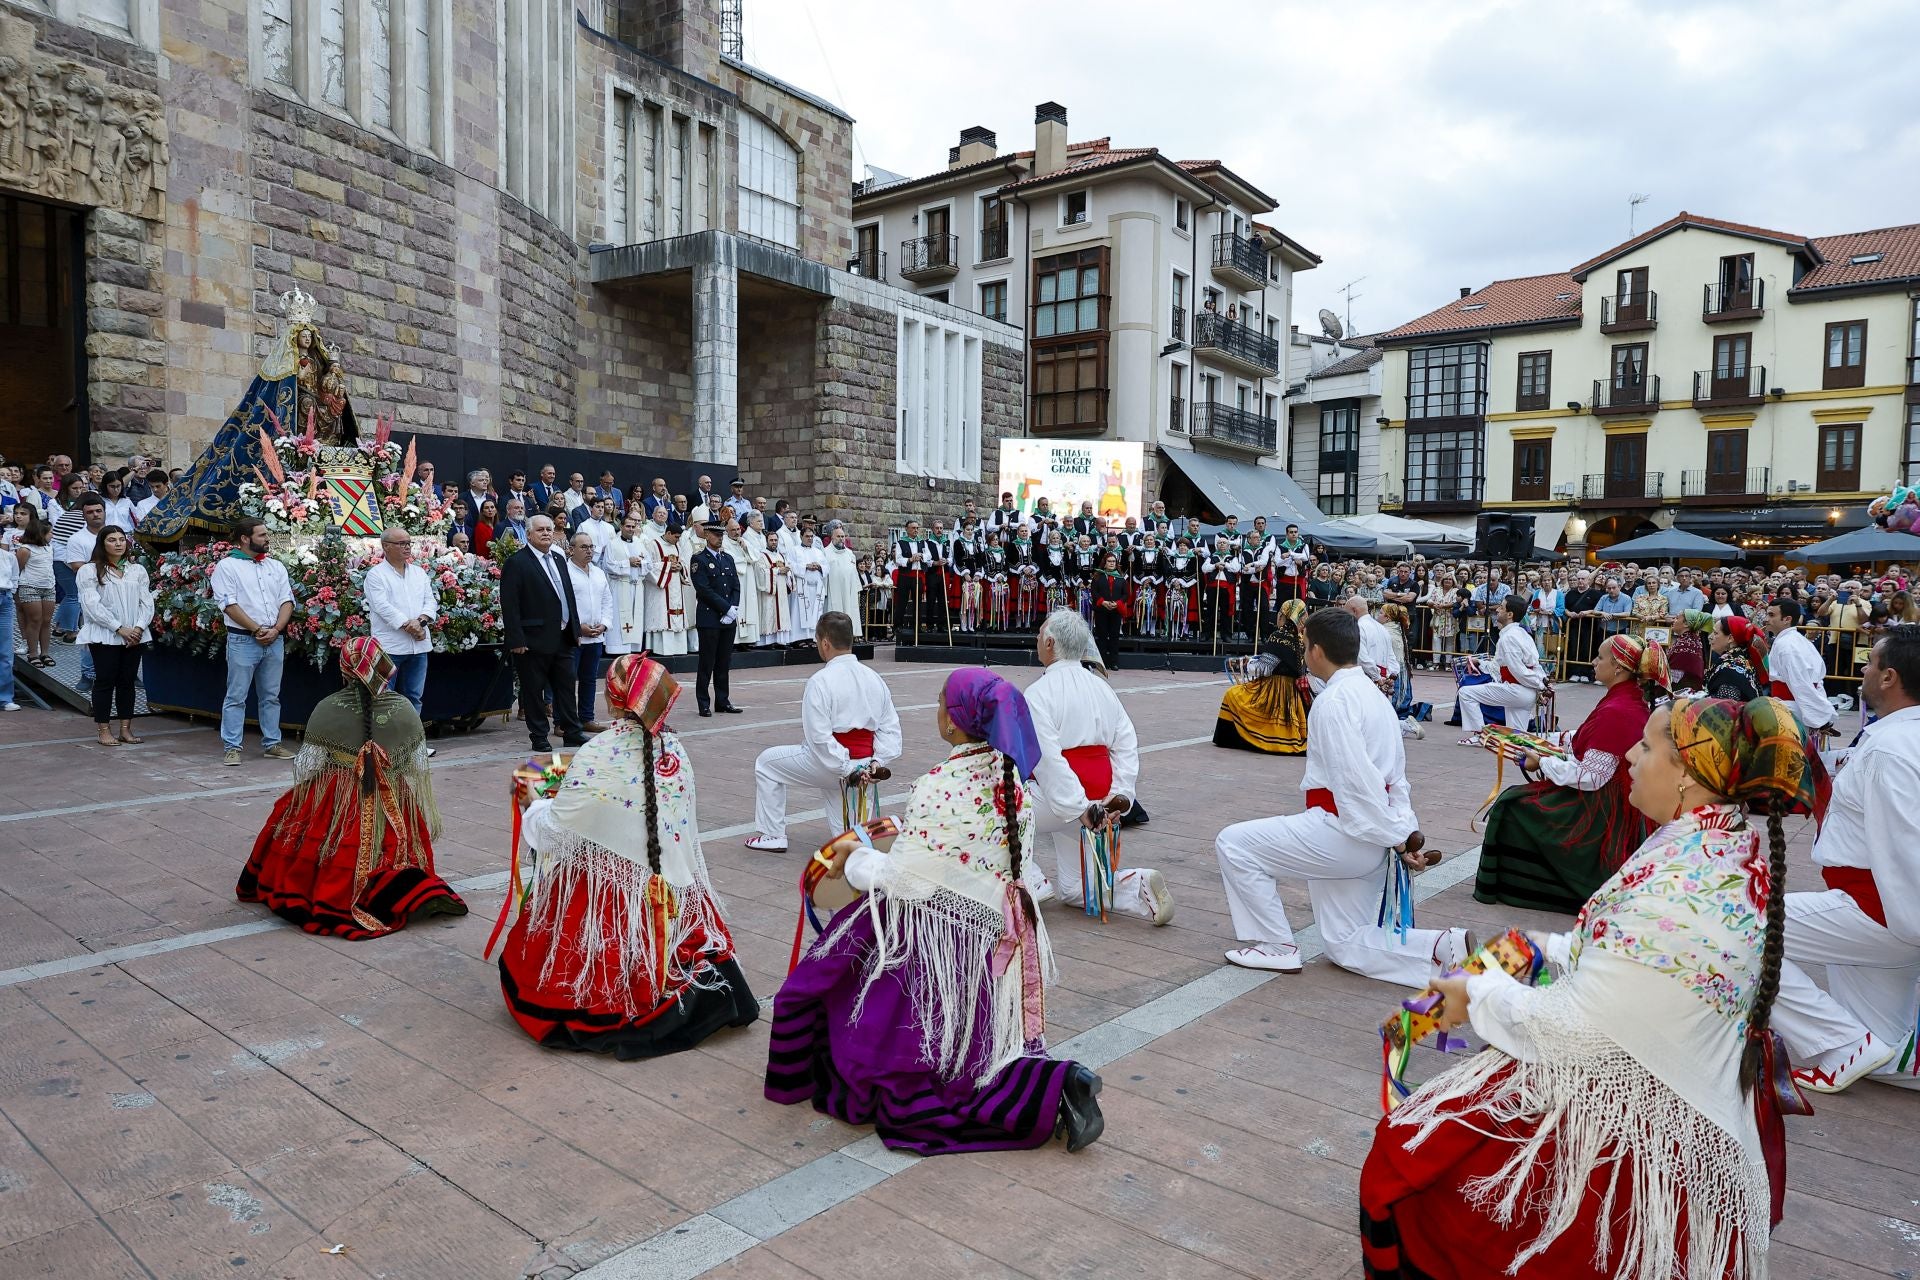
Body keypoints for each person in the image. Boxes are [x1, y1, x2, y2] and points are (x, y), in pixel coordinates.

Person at [1361, 694, 1824, 1280]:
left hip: (1638, 1132)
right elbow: (1622, 964)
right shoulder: (1710, 848)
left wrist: (1475, 995)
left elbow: (1579, 1030)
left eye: (1648, 745)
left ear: (1688, 772)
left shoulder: (1685, 891)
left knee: (1408, 1167)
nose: (1630, 754)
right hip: (1636, 1088)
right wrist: (1530, 951)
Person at [765, 668, 1106, 1155]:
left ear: (954, 723)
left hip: (928, 945)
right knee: (972, 1058)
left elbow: (905, 882)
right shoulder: (1017, 791)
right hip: (983, 951)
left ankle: (1050, 1090)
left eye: (941, 703)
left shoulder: (939, 785)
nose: (937, 709)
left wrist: (854, 858)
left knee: (825, 991)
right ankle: (1054, 1087)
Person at [496, 652, 758, 1056]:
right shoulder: (675, 750)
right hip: (673, 889)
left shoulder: (599, 753)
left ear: (616, 699)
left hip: (613, 898)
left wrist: (533, 803)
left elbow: (553, 834)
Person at [1215, 608, 1468, 979]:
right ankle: (1443, 947)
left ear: (1316, 650)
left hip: (1343, 830)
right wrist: (1402, 830)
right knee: (1344, 942)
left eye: (1304, 645)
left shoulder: (1334, 703)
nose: (1303, 653)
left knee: (1233, 843)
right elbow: (1396, 780)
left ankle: (1275, 945)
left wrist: (1399, 839)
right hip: (1368, 836)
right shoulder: (1375, 697)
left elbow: (1356, 785)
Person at [237, 637, 467, 938]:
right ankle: (401, 887)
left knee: (293, 819)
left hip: (338, 796)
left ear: (345, 670)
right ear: (383, 665)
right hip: (391, 796)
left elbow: (307, 766)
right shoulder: (404, 709)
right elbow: (418, 767)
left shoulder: (327, 708)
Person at [1773, 625, 1920, 1094]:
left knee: (1733, 928)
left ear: (1890, 677)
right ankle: (1877, 1049)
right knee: (1884, 1058)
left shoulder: (1891, 750)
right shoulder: (1897, 739)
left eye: (1871, 663)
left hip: (1883, 912)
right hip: (1880, 910)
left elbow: (1907, 848)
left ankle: (1837, 1044)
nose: (1862, 669)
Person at [1473, 633, 1669, 914]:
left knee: (1511, 805)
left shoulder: (1617, 709)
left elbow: (1591, 777)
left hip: (1603, 807)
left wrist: (1541, 762)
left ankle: (1534, 886)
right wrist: (1548, 743)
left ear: (1618, 668)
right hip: (1612, 796)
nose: (1593, 662)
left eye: (1600, 657)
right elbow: (1591, 743)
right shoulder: (1626, 700)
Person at [1022, 610, 1173, 924]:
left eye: (1040, 634)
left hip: (1061, 800)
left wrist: (1081, 807)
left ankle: (1028, 878)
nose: (1037, 639)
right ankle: (1138, 886)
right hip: (1100, 796)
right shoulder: (1102, 688)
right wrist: (1120, 794)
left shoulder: (1038, 693)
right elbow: (1126, 743)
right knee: (1077, 889)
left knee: (993, 808)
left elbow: (1048, 760)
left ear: (1049, 643)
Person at [745, 611, 901, 853]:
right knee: (852, 842)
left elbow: (818, 737)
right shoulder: (874, 678)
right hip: (867, 767)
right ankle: (865, 845)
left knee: (766, 764)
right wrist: (875, 762)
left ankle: (773, 834)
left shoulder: (821, 680)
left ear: (825, 643)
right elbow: (890, 728)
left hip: (834, 766)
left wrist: (848, 768)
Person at [210, 518, 296, 766]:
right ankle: (232, 747)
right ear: (245, 539)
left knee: (271, 695)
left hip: (274, 638)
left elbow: (286, 600)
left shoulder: (276, 566)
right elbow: (228, 604)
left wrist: (277, 628)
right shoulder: (227, 566)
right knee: (236, 695)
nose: (267, 539)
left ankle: (272, 743)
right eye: (261, 535)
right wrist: (258, 629)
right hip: (243, 639)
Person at [500, 514, 587, 753]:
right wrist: (516, 639)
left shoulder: (559, 558)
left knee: (567, 687)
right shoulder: (517, 562)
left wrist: (575, 628)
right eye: (540, 530)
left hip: (563, 636)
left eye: (549, 529)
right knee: (533, 690)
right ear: (529, 534)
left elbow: (568, 595)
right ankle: (539, 736)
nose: (547, 533)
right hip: (532, 639)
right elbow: (510, 604)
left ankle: (572, 731)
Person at [77, 525, 152, 745]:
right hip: (106, 634)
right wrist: (119, 628)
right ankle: (103, 729)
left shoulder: (136, 569)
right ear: (102, 544)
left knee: (127, 681)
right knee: (105, 680)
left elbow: (146, 602)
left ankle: (126, 728)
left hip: (134, 635)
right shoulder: (89, 570)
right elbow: (92, 606)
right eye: (112, 540)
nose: (118, 543)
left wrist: (138, 627)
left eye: (121, 539)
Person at [1215, 598, 1311, 754]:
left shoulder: (1278, 636)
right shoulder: (1301, 640)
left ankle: (1241, 738)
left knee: (1232, 695)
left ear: (1285, 615)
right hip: (1293, 693)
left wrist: (1244, 665)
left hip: (1273, 689)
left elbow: (1264, 669)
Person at [362, 527, 437, 713]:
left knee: (414, 696)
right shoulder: (376, 575)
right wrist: (409, 625)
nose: (407, 547)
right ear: (386, 546)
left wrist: (420, 622)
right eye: (401, 543)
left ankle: (413, 741)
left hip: (418, 646)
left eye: (408, 543)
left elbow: (431, 601)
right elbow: (382, 606)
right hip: (390, 647)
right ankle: (386, 741)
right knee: (384, 698)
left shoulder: (419, 573)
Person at [1455, 595, 1545, 741]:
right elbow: (1502, 666)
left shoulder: (1509, 637)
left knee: (1466, 693)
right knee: (1517, 739)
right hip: (1525, 692)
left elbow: (1518, 671)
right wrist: (1481, 663)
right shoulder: (1522, 634)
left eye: (1501, 607)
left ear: (1510, 614)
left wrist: (1541, 685)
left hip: (1517, 689)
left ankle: (1480, 736)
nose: (1497, 610)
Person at [690, 518, 743, 717]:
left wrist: (733, 609)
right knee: (707, 663)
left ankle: (723, 700)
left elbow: (736, 586)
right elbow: (703, 589)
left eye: (721, 535)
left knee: (723, 662)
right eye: (715, 535)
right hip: (710, 618)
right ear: (706, 535)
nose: (719, 538)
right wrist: (726, 609)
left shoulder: (727, 558)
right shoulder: (699, 559)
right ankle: (703, 702)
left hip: (728, 619)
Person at [1763, 597, 1835, 736]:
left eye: (1771, 615)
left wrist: (1817, 717)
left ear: (1787, 619)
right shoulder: (1795, 640)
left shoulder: (1787, 645)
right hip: (1794, 705)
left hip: (1792, 708)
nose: (1766, 619)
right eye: (1767, 614)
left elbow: (1800, 682)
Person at [566, 530, 615, 732]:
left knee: (589, 679)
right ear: (571, 550)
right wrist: (578, 628)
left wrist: (604, 624)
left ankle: (586, 717)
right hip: (573, 636)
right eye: (584, 547)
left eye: (591, 547)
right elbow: (563, 605)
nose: (589, 551)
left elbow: (607, 601)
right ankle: (563, 722)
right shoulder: (566, 573)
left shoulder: (598, 572)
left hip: (595, 635)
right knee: (567, 681)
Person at [14, 507, 55, 670]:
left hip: (48, 587)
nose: (52, 535)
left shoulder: (48, 548)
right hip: (29, 587)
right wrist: (17, 591)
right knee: (35, 620)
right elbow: (18, 569)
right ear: (40, 533)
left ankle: (45, 652)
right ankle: (33, 654)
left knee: (46, 621)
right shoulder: (25, 550)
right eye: (49, 532)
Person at [1706, 615, 1767, 703]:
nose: (1710, 637)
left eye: (1715, 633)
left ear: (1730, 638)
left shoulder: (1729, 670)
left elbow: (1723, 709)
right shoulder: (1743, 658)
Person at [1089, 548, 1128, 670]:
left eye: (1113, 561)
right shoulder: (1097, 577)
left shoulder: (1121, 578)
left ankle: (1114, 662)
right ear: (1104, 563)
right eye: (1109, 561)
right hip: (1102, 610)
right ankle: (1102, 662)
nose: (1111, 563)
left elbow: (1126, 594)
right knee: (1102, 636)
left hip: (1115, 611)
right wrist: (1103, 602)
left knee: (1114, 636)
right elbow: (1094, 592)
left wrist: (1118, 603)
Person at [1669, 608, 1713, 691]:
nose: (1673, 620)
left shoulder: (1686, 645)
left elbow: (1674, 675)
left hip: (1682, 694)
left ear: (1686, 624)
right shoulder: (1690, 640)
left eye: (1677, 618)